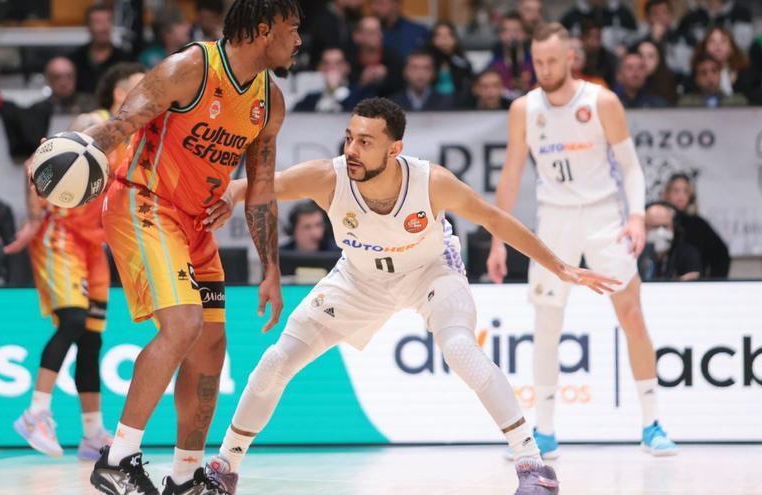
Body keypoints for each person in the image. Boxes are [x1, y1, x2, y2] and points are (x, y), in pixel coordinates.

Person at [199, 97, 621, 494]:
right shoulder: (329, 177)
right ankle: (225, 466)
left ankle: (533, 465)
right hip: (358, 279)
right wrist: (230, 194)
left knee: (460, 348)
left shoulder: (431, 182)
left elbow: (496, 220)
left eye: (366, 142)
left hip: (430, 271)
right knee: (276, 362)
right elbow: (256, 186)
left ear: (395, 148)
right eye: (350, 137)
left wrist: (561, 266)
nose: (352, 149)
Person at [49, 1, 300, 492]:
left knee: (211, 344)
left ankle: (186, 477)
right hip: (144, 202)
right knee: (183, 324)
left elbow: (262, 187)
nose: (298, 41)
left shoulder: (270, 101)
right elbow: (120, 126)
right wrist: (66, 156)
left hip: (196, 222)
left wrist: (270, 268)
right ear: (263, 30)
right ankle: (118, 458)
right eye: (292, 30)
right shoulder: (191, 68)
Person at [486, 23, 678, 459]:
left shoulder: (601, 101)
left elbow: (631, 167)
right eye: (538, 61)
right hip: (553, 223)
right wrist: (499, 242)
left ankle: (652, 424)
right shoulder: (524, 109)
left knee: (632, 314)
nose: (545, 68)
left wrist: (635, 216)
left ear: (571, 56)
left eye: (553, 60)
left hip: (603, 217)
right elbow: (512, 175)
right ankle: (545, 431)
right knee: (547, 325)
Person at [7, 63, 146, 463]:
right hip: (62, 235)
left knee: (91, 339)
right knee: (71, 320)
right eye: (141, 86)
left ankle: (90, 433)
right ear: (121, 94)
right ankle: (35, 413)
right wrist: (34, 219)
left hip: (95, 245)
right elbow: (37, 161)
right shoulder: (95, 121)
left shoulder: (138, 137)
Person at [660, 172, 730, 278]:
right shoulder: (656, 222)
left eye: (685, 191)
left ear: (691, 196)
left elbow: (721, 255)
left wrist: (712, 282)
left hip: (694, 286)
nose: (681, 196)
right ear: (667, 193)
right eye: (676, 191)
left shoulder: (698, 225)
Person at [69, 5, 131, 96]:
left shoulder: (126, 59)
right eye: (98, 22)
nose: (104, 28)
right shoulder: (75, 59)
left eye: (108, 21)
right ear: (88, 26)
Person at [293, 47, 370, 112]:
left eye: (338, 63)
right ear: (320, 68)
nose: (332, 67)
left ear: (347, 67)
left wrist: (334, 89)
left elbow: (359, 114)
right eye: (326, 63)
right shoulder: (311, 98)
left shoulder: (360, 94)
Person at [638, 202, 701, 281]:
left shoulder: (688, 254)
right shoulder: (632, 255)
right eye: (655, 227)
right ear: (642, 228)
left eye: (665, 226)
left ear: (674, 228)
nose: (661, 232)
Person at [690, 27, 752, 100]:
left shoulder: (746, 73)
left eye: (723, 41)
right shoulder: (693, 75)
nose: (717, 45)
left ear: (732, 47)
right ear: (704, 47)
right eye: (712, 41)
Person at [487, 11, 535, 99]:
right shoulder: (493, 65)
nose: (512, 35)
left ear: (524, 34)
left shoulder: (535, 62)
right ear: (501, 34)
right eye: (507, 30)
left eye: (516, 30)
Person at [389, 49, 454, 111]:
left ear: (433, 73)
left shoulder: (446, 102)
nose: (420, 73)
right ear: (405, 72)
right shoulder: (393, 104)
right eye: (415, 68)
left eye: (426, 68)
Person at [678, 53, 747, 107]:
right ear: (696, 79)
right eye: (703, 73)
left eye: (714, 71)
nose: (710, 77)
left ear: (720, 75)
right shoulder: (686, 104)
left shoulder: (737, 102)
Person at [428, 21, 474, 97]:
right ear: (432, 39)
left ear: (455, 38)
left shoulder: (463, 64)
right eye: (439, 35)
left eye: (448, 35)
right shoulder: (425, 63)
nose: (444, 39)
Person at [637, 40, 677, 105]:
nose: (644, 61)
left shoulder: (669, 83)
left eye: (650, 56)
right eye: (640, 55)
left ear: (659, 59)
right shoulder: (629, 85)